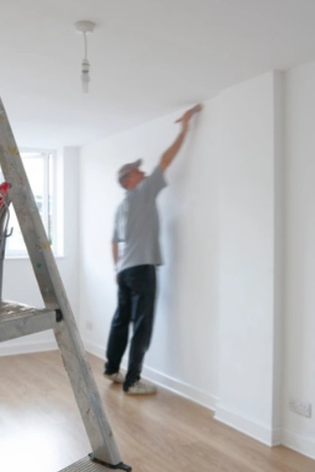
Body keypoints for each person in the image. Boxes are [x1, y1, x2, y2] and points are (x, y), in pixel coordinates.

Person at [104, 104, 203, 395]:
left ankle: (112, 368)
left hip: (124, 271)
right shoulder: (142, 194)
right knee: (142, 326)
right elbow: (165, 160)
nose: (144, 171)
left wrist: (116, 268)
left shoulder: (121, 207)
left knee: (121, 320)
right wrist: (185, 130)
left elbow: (113, 241)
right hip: (143, 268)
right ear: (129, 180)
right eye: (138, 170)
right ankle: (132, 381)